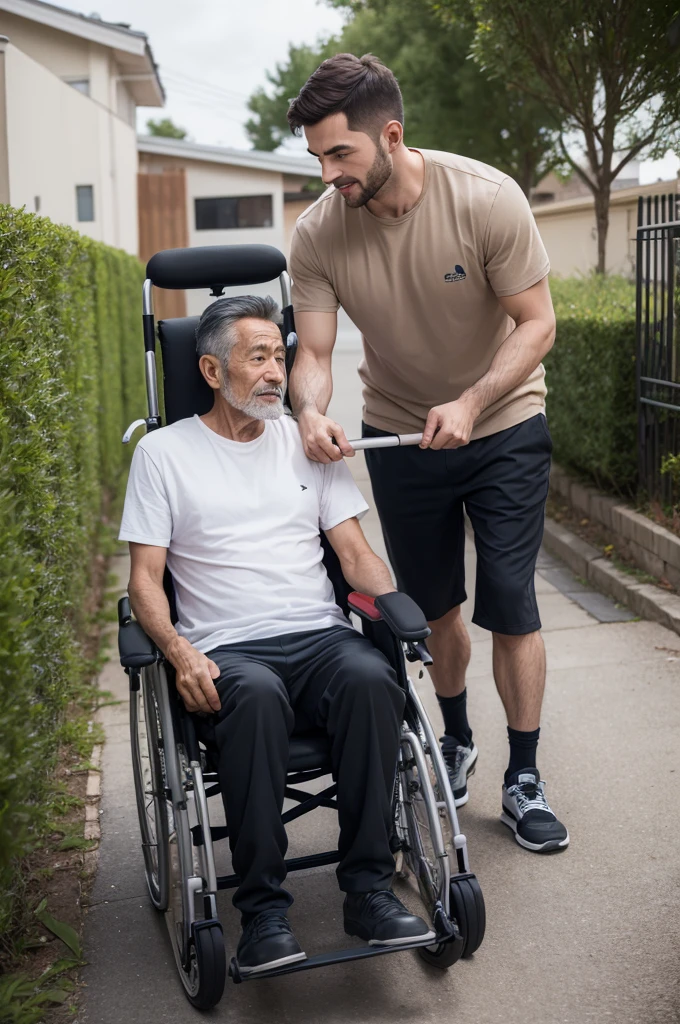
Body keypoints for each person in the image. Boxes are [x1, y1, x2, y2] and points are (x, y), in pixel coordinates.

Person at [287, 53, 569, 853]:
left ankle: (525, 775)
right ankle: (455, 738)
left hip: (505, 422)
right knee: (435, 609)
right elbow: (313, 349)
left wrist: (474, 400)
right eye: (317, 158)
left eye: (341, 154)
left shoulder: (484, 199)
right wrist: (308, 411)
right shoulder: (317, 232)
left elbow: (537, 323)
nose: (329, 172)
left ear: (391, 135)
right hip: (402, 433)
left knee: (511, 601)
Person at [118, 295, 434, 976]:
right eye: (256, 356)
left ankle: (370, 892)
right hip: (228, 649)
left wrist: (397, 612)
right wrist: (178, 653)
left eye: (280, 357)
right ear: (209, 368)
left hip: (318, 638)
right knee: (255, 698)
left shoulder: (305, 442)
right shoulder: (164, 455)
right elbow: (145, 581)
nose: (273, 371)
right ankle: (263, 912)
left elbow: (354, 554)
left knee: (371, 678)